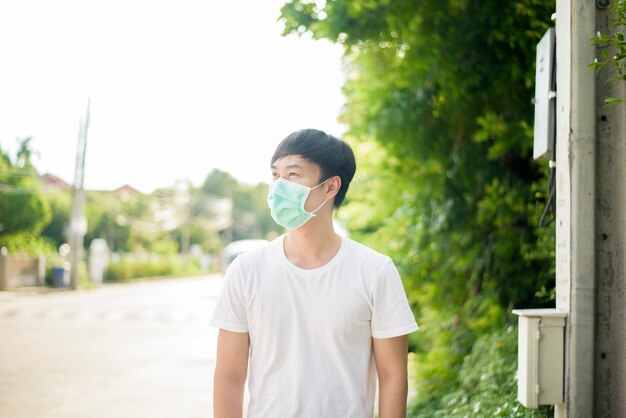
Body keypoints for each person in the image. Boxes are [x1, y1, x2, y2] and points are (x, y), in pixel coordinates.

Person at [210, 129, 418, 418]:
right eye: (275, 175)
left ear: (331, 187)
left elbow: (394, 376)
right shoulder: (246, 271)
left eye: (293, 175)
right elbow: (229, 377)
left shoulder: (374, 271)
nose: (279, 186)